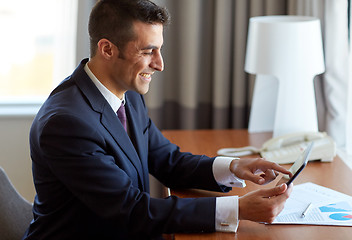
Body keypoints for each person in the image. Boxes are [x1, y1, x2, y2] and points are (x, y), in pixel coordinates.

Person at [22, 0, 293, 239]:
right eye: (147, 51)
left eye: (159, 50)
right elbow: (131, 209)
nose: (159, 64)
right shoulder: (66, 124)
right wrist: (239, 208)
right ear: (106, 49)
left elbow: (168, 161)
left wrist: (234, 166)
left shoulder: (128, 95)